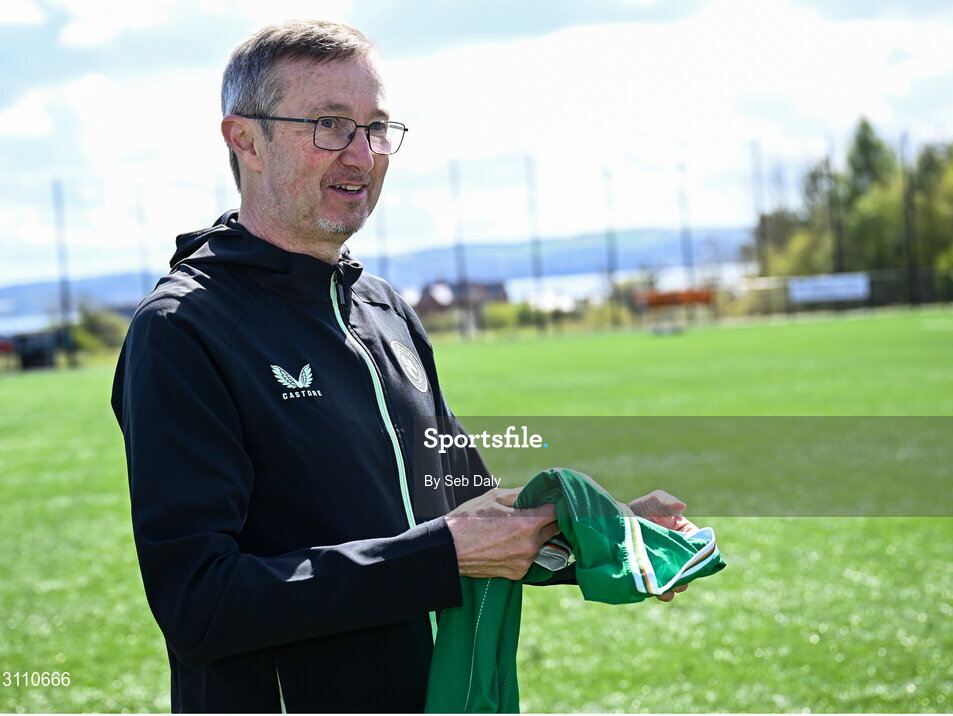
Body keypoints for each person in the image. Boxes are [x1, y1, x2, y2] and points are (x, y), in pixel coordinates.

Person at [111, 19, 691, 714]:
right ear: (245, 141)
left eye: (377, 127)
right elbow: (200, 603)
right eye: (329, 125)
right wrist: (439, 557)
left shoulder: (382, 308)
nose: (362, 155)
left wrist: (613, 532)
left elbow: (467, 512)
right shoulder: (183, 329)